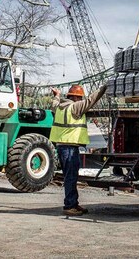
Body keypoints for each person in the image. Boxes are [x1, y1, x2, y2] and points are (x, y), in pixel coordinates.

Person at [50, 84, 107, 216]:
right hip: (70, 147)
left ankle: (73, 203)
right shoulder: (75, 107)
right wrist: (104, 88)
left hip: (62, 146)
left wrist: (57, 95)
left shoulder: (58, 107)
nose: (81, 100)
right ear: (76, 98)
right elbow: (91, 100)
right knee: (71, 177)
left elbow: (54, 102)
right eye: (80, 97)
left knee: (70, 176)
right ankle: (69, 206)